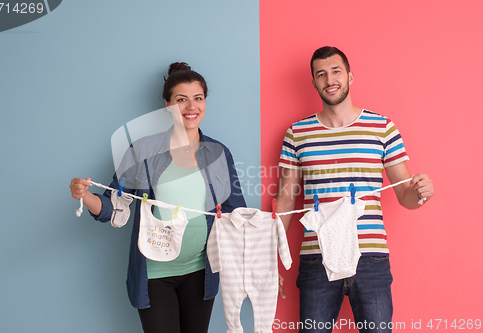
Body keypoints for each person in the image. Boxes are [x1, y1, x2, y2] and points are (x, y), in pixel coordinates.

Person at [70, 62, 246, 333]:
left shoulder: (218, 154)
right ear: (167, 105)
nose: (191, 107)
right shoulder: (142, 151)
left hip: (202, 273)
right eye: (181, 100)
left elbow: (237, 215)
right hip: (155, 275)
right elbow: (114, 208)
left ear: (205, 102)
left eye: (198, 98)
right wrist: (85, 196)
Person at [276, 46, 434, 333]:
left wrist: (420, 192)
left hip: (370, 257)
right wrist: (269, 255)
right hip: (317, 258)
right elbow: (286, 199)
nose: (329, 79)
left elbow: (405, 195)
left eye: (336, 71)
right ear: (313, 82)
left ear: (350, 76)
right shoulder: (297, 133)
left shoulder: (382, 128)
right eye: (321, 74)